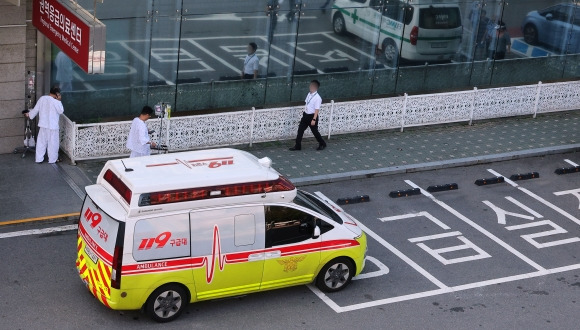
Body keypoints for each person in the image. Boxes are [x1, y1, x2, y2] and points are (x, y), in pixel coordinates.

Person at [26, 87, 64, 164]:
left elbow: (36, 109)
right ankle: (52, 160)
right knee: (53, 144)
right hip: (53, 126)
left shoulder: (42, 98)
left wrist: (29, 115)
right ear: (57, 94)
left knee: (41, 143)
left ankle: (39, 159)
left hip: (43, 125)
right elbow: (61, 111)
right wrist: (59, 100)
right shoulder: (56, 102)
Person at [289, 80, 327, 151]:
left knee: (315, 132)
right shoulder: (309, 94)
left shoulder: (317, 98)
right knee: (300, 130)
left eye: (312, 86)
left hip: (312, 116)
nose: (310, 87)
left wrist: (314, 119)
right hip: (305, 115)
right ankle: (298, 146)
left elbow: (317, 110)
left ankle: (322, 143)